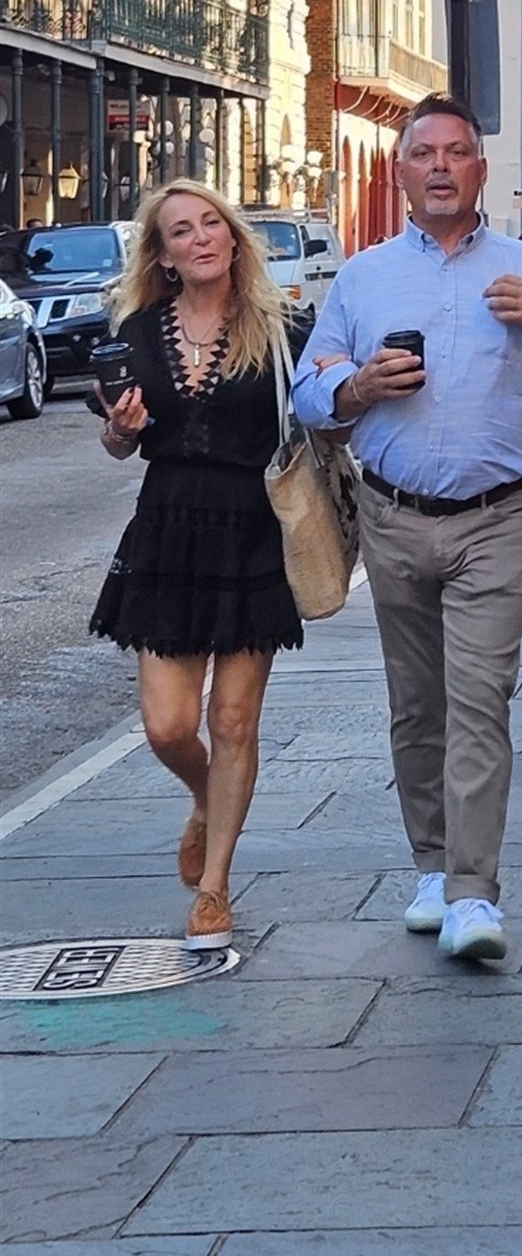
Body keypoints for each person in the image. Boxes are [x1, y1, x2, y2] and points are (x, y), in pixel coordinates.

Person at [292, 98, 522, 960]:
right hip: (393, 516)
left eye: (457, 153)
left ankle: (474, 894)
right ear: (402, 171)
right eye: (424, 154)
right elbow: (306, 392)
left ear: (481, 170)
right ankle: (432, 864)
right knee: (416, 707)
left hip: (498, 518)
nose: (441, 166)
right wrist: (359, 387)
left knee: (480, 700)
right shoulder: (365, 277)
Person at [89, 181, 303, 952]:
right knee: (170, 726)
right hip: (169, 531)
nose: (202, 237)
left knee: (234, 720)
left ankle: (214, 888)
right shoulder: (137, 333)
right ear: (165, 254)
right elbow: (117, 444)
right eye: (182, 231)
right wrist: (120, 431)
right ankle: (204, 798)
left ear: (234, 237)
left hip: (252, 531)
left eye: (212, 223)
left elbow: (322, 420)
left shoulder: (281, 328)